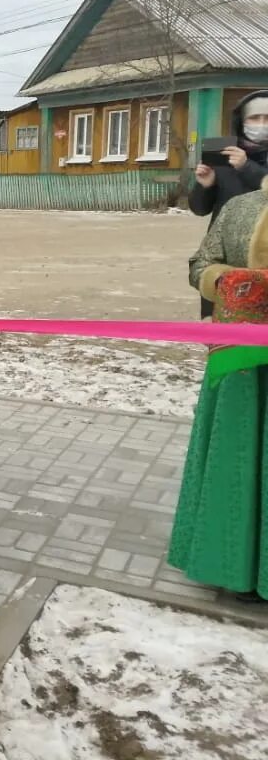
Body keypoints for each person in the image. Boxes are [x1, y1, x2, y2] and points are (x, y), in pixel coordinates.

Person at [173, 177, 268, 603]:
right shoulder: (241, 206)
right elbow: (200, 265)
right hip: (241, 363)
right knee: (238, 456)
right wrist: (231, 281)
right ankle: (231, 563)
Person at [192, 91, 268, 318]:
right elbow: (199, 209)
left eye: (267, 118)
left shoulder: (242, 162)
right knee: (226, 338)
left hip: (263, 262)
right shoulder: (223, 157)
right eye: (254, 118)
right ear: (241, 121)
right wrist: (205, 186)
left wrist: (247, 168)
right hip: (225, 261)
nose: (261, 125)